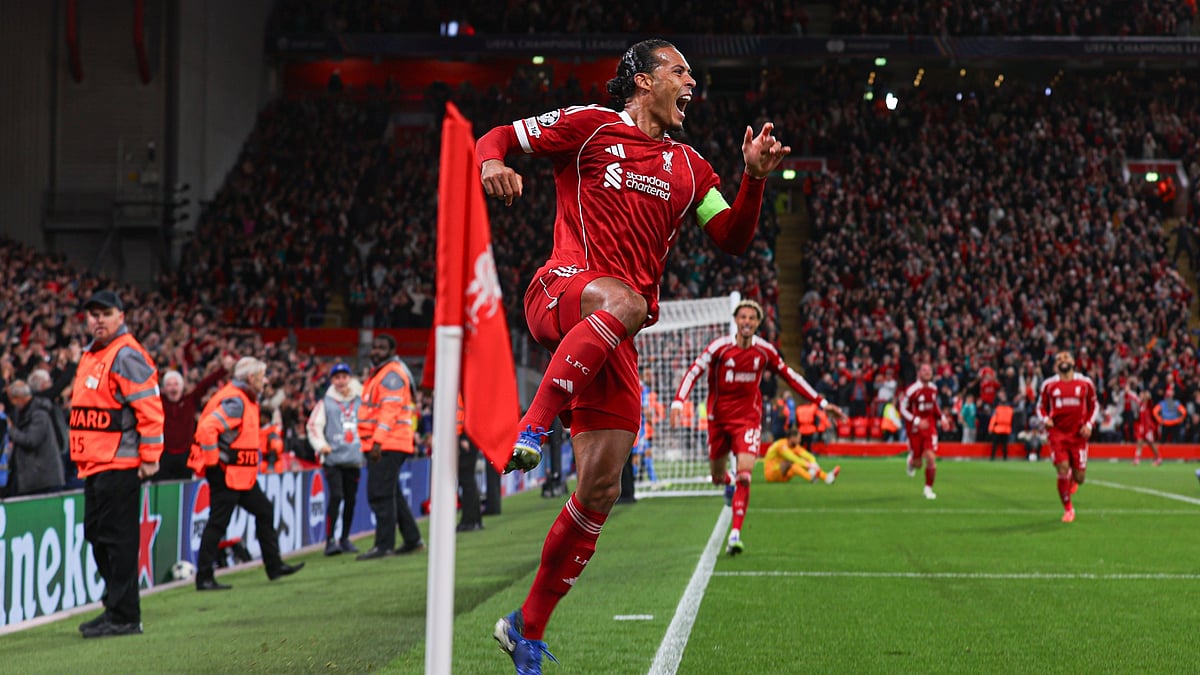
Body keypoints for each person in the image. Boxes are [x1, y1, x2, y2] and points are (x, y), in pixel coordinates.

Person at [476, 38, 791, 673]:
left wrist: (754, 178)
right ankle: (534, 422)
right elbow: (500, 136)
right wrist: (489, 165)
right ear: (643, 82)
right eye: (680, 70)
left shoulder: (691, 167)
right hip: (564, 289)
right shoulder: (592, 128)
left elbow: (730, 236)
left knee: (600, 486)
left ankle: (525, 626)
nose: (691, 81)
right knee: (627, 302)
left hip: (610, 340)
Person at [671, 298, 844, 556]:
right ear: (736, 320)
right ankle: (726, 483)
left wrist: (822, 402)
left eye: (752, 318)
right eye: (743, 317)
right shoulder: (719, 347)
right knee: (718, 477)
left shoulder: (764, 351)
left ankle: (736, 535)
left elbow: (791, 377)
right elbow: (695, 370)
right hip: (717, 419)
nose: (747, 322)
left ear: (758, 323)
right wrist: (678, 402)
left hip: (748, 419)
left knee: (745, 475)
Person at [69, 290, 164, 638]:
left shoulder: (126, 355)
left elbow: (150, 410)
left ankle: (124, 616)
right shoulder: (94, 354)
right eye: (92, 314)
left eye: (105, 313)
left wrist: (150, 458)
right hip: (95, 462)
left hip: (119, 462)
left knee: (118, 540)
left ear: (120, 316)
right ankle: (116, 607)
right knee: (97, 535)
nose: (97, 320)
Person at [188, 357, 305, 589]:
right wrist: (213, 463)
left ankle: (274, 565)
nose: (266, 380)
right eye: (262, 376)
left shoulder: (243, 398)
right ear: (251, 378)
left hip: (240, 476)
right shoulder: (236, 400)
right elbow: (208, 428)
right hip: (226, 473)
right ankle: (204, 577)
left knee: (264, 511)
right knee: (218, 523)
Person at [355, 334, 424, 559]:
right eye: (374, 347)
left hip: (387, 442)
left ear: (392, 350)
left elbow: (389, 411)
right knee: (392, 493)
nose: (376, 351)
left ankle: (384, 546)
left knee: (380, 493)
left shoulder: (390, 374)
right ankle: (413, 540)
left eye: (382, 347)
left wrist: (377, 441)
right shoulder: (382, 373)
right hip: (391, 441)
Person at [306, 362, 365, 553]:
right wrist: (321, 446)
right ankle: (330, 541)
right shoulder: (326, 403)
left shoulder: (359, 400)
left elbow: (367, 423)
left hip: (354, 457)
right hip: (333, 459)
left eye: (344, 377)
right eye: (337, 378)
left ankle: (345, 538)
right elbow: (313, 426)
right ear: (332, 380)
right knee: (336, 496)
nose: (341, 381)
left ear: (349, 379)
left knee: (351, 499)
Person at [1035, 350, 1098, 523]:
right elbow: (1040, 407)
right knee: (1062, 468)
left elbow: (1094, 405)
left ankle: (1073, 479)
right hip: (1057, 433)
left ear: (1073, 361)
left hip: (1078, 435)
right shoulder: (1049, 384)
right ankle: (1068, 509)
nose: (1063, 360)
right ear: (1056, 365)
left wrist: (1089, 425)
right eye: (1059, 359)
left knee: (1080, 478)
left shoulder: (1085, 382)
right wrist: (1046, 418)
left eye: (1066, 357)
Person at [157, 355, 232, 481]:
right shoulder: (159, 403)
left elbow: (205, 384)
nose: (173, 388)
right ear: (164, 388)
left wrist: (223, 370)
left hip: (186, 455)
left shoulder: (190, 401)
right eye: (169, 385)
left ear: (181, 387)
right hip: (164, 455)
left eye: (176, 384)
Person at [4, 379, 65, 496]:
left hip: (44, 478)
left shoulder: (39, 414)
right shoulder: (20, 412)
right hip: (32, 476)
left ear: (19, 397)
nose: (12, 403)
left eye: (13, 399)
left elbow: (31, 440)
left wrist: (11, 429)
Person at [899, 362, 944, 500]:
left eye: (929, 370)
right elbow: (902, 408)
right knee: (918, 464)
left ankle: (928, 489)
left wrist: (942, 418)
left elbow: (934, 406)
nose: (927, 372)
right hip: (915, 430)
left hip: (930, 428)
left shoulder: (934, 389)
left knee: (931, 457)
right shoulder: (912, 390)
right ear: (919, 373)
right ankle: (912, 461)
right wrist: (917, 421)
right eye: (924, 370)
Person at [763, 426, 839, 485]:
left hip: (783, 475)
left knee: (798, 464)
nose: (800, 440)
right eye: (799, 438)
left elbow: (808, 456)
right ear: (792, 438)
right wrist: (810, 466)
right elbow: (793, 458)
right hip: (771, 474)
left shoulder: (794, 446)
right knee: (791, 463)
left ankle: (827, 478)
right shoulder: (781, 445)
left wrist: (814, 463)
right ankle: (811, 477)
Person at [1133, 389, 1162, 466]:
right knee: (1139, 442)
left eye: (1142, 395)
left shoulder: (1148, 404)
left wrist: (1147, 395)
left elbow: (1149, 398)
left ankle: (1158, 458)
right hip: (1142, 427)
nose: (1140, 396)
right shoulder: (1141, 405)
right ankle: (1137, 459)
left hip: (1148, 427)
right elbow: (1135, 399)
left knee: (1151, 443)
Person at [988, 389, 1014, 461]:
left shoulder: (997, 409)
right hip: (1006, 429)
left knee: (995, 444)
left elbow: (993, 419)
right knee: (1005, 445)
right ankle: (1005, 457)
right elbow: (1012, 420)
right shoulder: (1010, 410)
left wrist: (990, 429)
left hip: (998, 429)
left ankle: (992, 457)